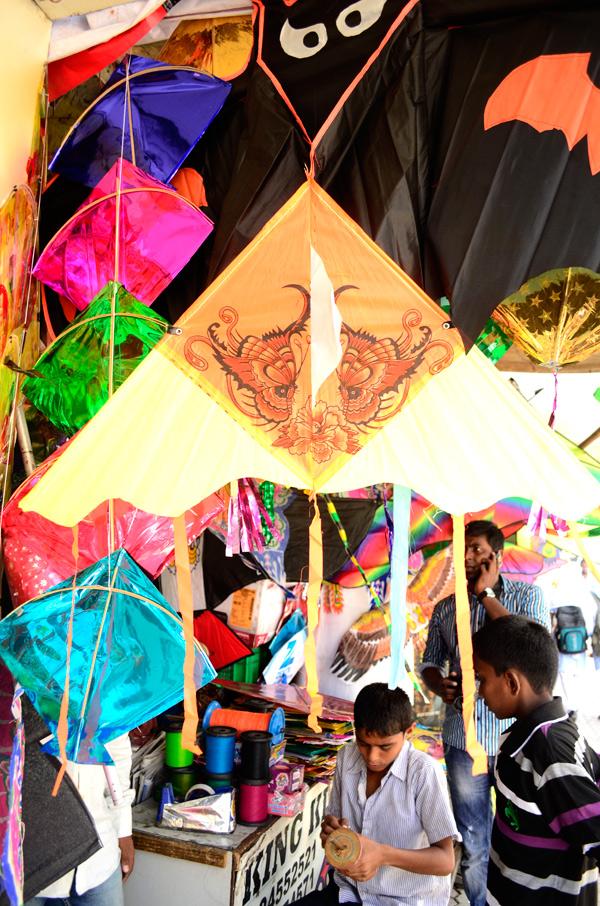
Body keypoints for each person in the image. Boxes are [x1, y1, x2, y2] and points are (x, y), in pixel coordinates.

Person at [420, 519, 550, 906]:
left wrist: (487, 594)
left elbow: (531, 646)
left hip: (518, 740)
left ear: (498, 554)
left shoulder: (529, 597)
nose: (467, 555)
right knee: (475, 839)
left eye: (476, 548)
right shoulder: (446, 609)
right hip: (465, 740)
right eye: (462, 548)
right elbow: (430, 661)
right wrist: (435, 683)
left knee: (523, 835)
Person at [292, 683, 458, 906]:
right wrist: (332, 831)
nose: (372, 757)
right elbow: (334, 821)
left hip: (403, 901)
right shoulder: (347, 758)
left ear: (409, 731)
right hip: (348, 892)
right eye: (364, 744)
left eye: (385, 746)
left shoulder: (423, 773)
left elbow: (445, 861)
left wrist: (382, 854)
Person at [472, 615, 600, 905]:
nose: (480, 693)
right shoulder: (549, 732)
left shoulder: (548, 754)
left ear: (511, 682)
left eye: (482, 679)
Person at [26, 733, 135, 906]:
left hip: (99, 858)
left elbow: (118, 753)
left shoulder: (101, 705)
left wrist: (123, 829)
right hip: (27, 862)